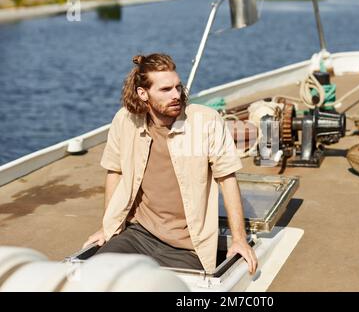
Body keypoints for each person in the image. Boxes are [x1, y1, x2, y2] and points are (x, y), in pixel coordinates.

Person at [83, 53, 257, 275]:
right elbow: (114, 172)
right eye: (165, 90)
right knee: (92, 276)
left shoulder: (206, 121)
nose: (176, 95)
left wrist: (239, 239)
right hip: (138, 234)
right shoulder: (124, 120)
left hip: (188, 247)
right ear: (143, 94)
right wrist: (107, 228)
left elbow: (228, 179)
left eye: (177, 86)